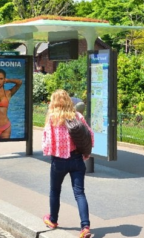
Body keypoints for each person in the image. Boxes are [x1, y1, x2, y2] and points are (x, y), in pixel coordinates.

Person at [42, 89, 93, 238]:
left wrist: (50, 152)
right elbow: (89, 134)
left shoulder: (52, 118)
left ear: (54, 102)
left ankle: (53, 220)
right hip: (77, 159)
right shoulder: (77, 116)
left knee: (55, 191)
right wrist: (86, 153)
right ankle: (85, 227)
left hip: (58, 161)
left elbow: (47, 142)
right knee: (79, 193)